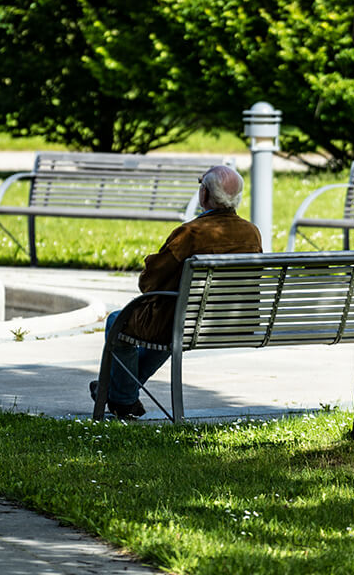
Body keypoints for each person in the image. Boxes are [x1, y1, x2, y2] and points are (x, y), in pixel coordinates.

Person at [90, 164, 262, 418]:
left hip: (185, 323)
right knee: (170, 329)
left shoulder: (190, 233)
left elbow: (149, 283)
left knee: (119, 321)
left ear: (204, 195)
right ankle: (121, 395)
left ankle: (120, 396)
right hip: (231, 324)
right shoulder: (252, 233)